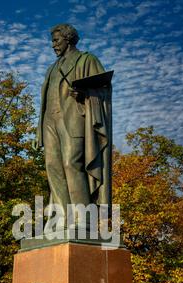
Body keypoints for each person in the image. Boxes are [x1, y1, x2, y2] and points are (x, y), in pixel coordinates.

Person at [34, 24, 112, 225]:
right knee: (53, 166)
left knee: (71, 163)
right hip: (50, 121)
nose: (53, 45)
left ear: (68, 39)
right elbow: (44, 101)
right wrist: (38, 131)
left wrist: (86, 94)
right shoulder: (51, 68)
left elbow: (104, 90)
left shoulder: (87, 59)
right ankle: (61, 218)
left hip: (74, 119)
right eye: (52, 41)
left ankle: (84, 218)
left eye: (56, 40)